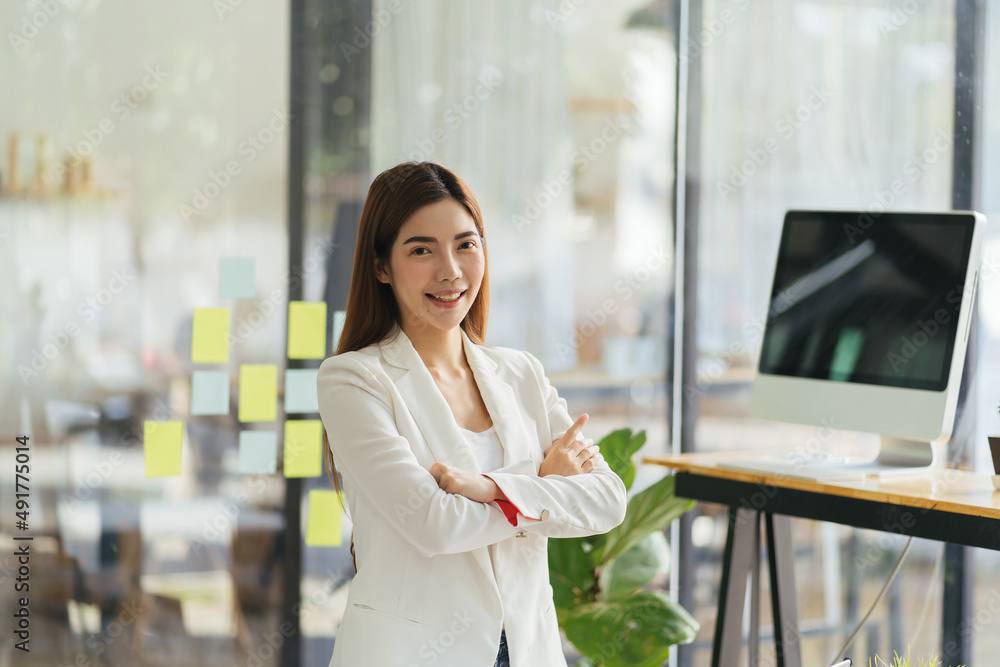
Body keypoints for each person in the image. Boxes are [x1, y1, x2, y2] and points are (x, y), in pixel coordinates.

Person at [316, 161, 628, 667]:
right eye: (422, 250)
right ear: (381, 267)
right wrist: (543, 483)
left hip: (527, 651)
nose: (451, 271)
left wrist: (491, 489)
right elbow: (434, 523)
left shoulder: (520, 373)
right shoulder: (353, 379)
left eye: (466, 244)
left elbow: (608, 499)